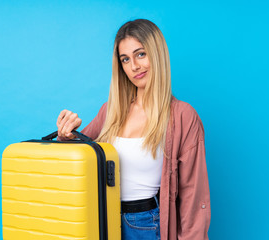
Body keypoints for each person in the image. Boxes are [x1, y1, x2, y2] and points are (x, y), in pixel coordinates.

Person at [56, 19, 210, 240]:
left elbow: (194, 196)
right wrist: (65, 136)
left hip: (145, 225)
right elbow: (76, 164)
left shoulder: (183, 116)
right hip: (102, 220)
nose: (134, 66)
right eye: (125, 59)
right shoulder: (110, 111)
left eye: (140, 54)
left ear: (157, 54)